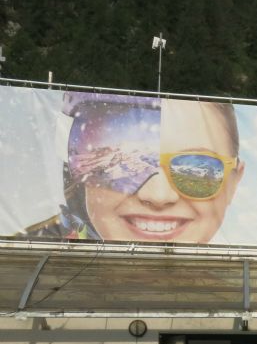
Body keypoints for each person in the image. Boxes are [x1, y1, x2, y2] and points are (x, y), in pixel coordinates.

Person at [26, 92, 244, 243]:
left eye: (197, 169)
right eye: (118, 166)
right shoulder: (25, 249)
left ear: (234, 182)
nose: (158, 196)